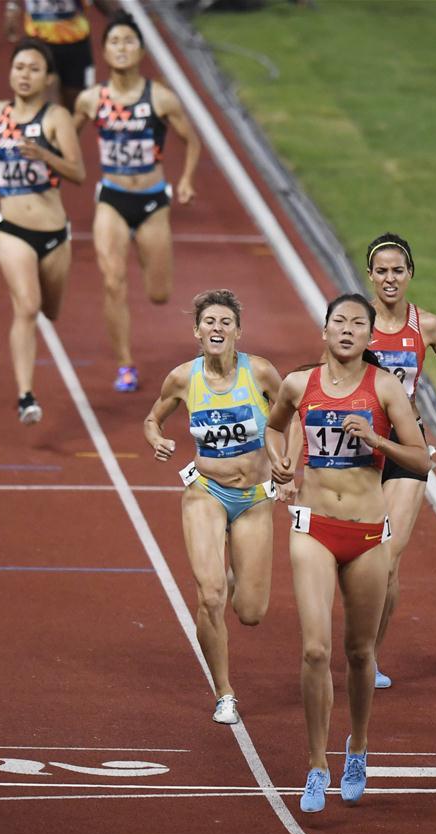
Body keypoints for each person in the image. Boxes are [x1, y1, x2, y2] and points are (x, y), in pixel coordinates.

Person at [265, 293, 429, 813]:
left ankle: (357, 746)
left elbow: (421, 460)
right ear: (325, 330)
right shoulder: (298, 383)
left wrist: (378, 443)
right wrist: (281, 464)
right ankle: (317, 764)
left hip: (366, 535)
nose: (348, 330)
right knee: (315, 650)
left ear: (367, 338)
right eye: (340, 321)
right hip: (312, 527)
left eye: (358, 324)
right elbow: (273, 426)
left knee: (360, 654)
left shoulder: (383, 387)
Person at [144, 289, 291, 725]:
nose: (217, 328)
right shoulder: (181, 379)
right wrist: (157, 439)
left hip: (253, 500)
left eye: (226, 322)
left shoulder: (261, 373)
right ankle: (225, 692)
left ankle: (227, 576)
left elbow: (292, 414)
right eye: (209, 321)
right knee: (210, 597)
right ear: (196, 331)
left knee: (250, 612)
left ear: (239, 332)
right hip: (205, 492)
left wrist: (288, 467)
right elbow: (153, 418)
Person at [0, 38, 85, 425]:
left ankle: (27, 387)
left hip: (55, 233)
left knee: (50, 310)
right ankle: (26, 396)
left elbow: (78, 173)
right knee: (26, 307)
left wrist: (45, 155)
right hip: (11, 230)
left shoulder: (55, 118)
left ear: (47, 78)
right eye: (19, 67)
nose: (25, 75)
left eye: (34, 69)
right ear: (10, 72)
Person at [366, 233, 436, 686]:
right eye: (382, 271)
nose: (390, 278)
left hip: (408, 445)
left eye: (398, 270)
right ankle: (359, 638)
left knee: (388, 557)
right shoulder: (355, 322)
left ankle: (367, 657)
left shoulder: (427, 326)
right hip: (360, 446)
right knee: (360, 557)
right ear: (370, 275)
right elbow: (325, 375)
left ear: (410, 274)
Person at [74, 11, 201, 392]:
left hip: (151, 203)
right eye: (115, 41)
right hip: (111, 200)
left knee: (159, 293)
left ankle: (149, 269)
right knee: (113, 281)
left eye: (129, 41)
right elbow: (63, 134)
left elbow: (191, 140)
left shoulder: (159, 97)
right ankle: (125, 364)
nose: (122, 47)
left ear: (141, 49)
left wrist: (187, 180)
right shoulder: (91, 99)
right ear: (105, 50)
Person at [3, 0, 120, 113]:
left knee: (76, 106)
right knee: (47, 105)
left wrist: (117, 18)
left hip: (75, 43)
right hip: (40, 42)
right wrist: (12, 6)